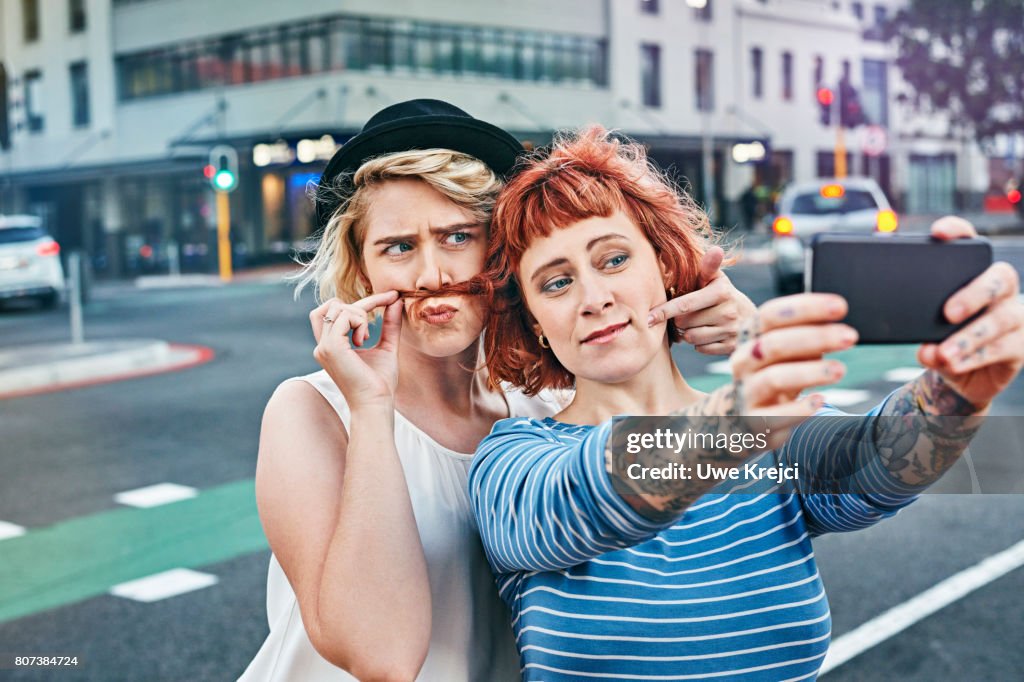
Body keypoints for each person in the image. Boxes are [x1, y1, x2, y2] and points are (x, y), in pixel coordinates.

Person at [468, 126, 1024, 680]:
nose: (595, 298)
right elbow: (583, 499)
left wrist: (959, 390)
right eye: (557, 283)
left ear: (664, 266)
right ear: (535, 323)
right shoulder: (514, 459)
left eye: (613, 260)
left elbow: (874, 464)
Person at [240, 101, 755, 681]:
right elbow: (381, 656)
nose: (432, 274)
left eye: (458, 236)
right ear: (364, 273)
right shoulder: (313, 411)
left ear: (501, 254)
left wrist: (707, 318)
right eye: (398, 247)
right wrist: (373, 406)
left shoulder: (545, 405)